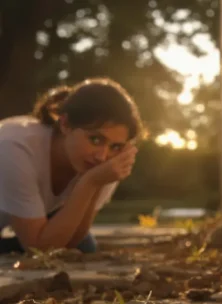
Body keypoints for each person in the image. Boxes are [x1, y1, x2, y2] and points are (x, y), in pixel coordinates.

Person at [0, 77, 144, 254]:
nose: (102, 156)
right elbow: (38, 250)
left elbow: (74, 240)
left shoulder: (108, 164)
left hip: (24, 229)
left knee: (85, 248)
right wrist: (90, 183)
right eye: (95, 139)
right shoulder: (15, 147)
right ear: (65, 124)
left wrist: (94, 184)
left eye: (115, 146)